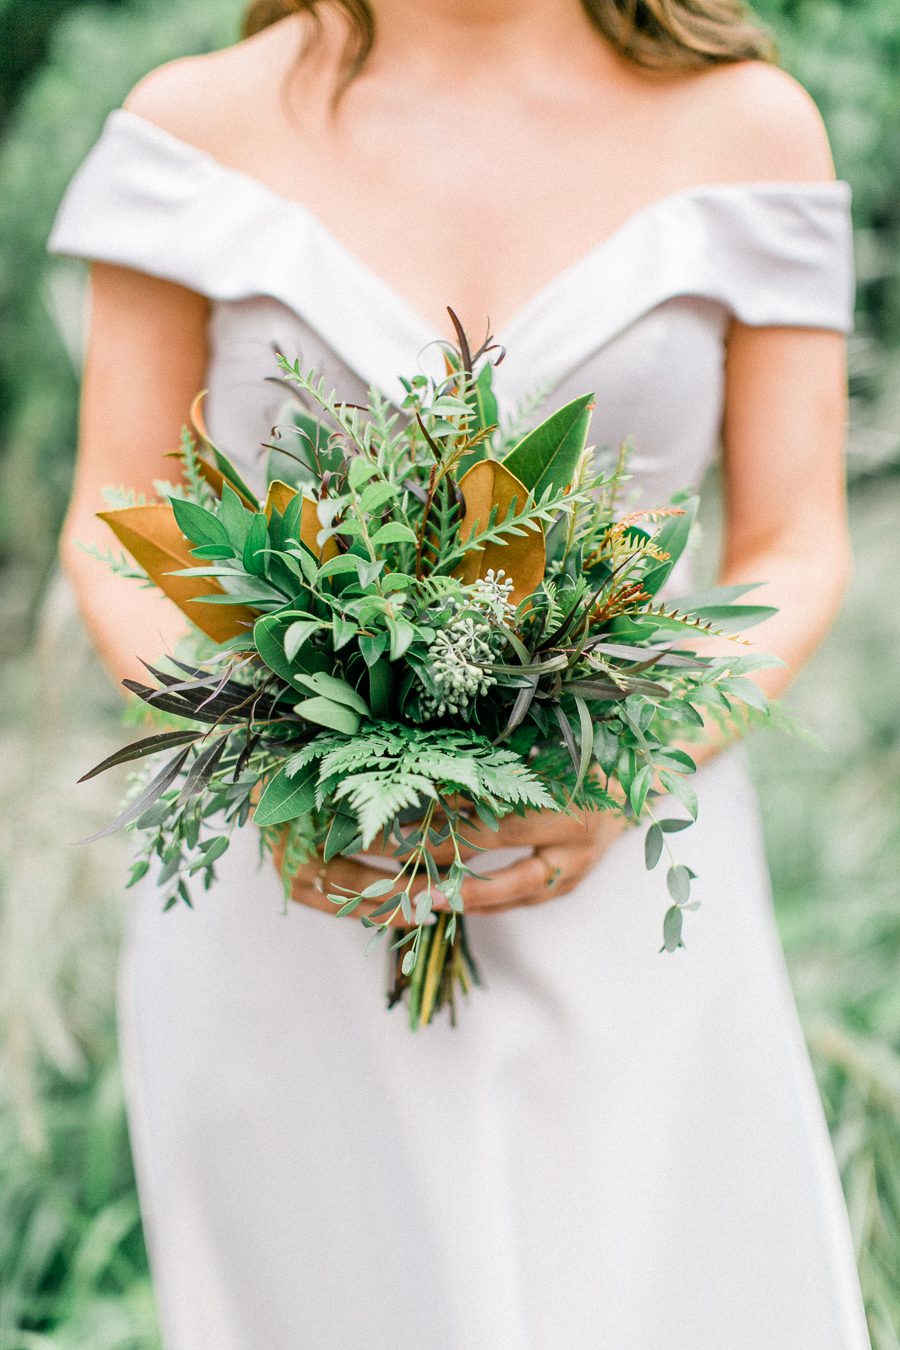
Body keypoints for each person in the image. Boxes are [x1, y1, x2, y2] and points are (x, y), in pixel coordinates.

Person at [48, 2, 871, 1346]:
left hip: (631, 872)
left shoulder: (751, 126)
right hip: (298, 897)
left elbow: (796, 542)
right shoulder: (192, 124)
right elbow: (115, 514)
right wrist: (263, 746)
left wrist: (632, 755)